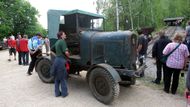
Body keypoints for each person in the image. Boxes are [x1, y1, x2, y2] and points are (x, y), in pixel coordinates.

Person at [51, 31, 69, 97]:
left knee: (57, 78)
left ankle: (57, 93)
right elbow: (66, 52)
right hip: (61, 61)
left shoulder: (57, 42)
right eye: (64, 34)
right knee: (63, 78)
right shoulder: (62, 41)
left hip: (56, 60)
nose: (65, 35)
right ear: (61, 36)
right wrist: (68, 56)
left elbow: (51, 50)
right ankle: (64, 94)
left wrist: (56, 56)